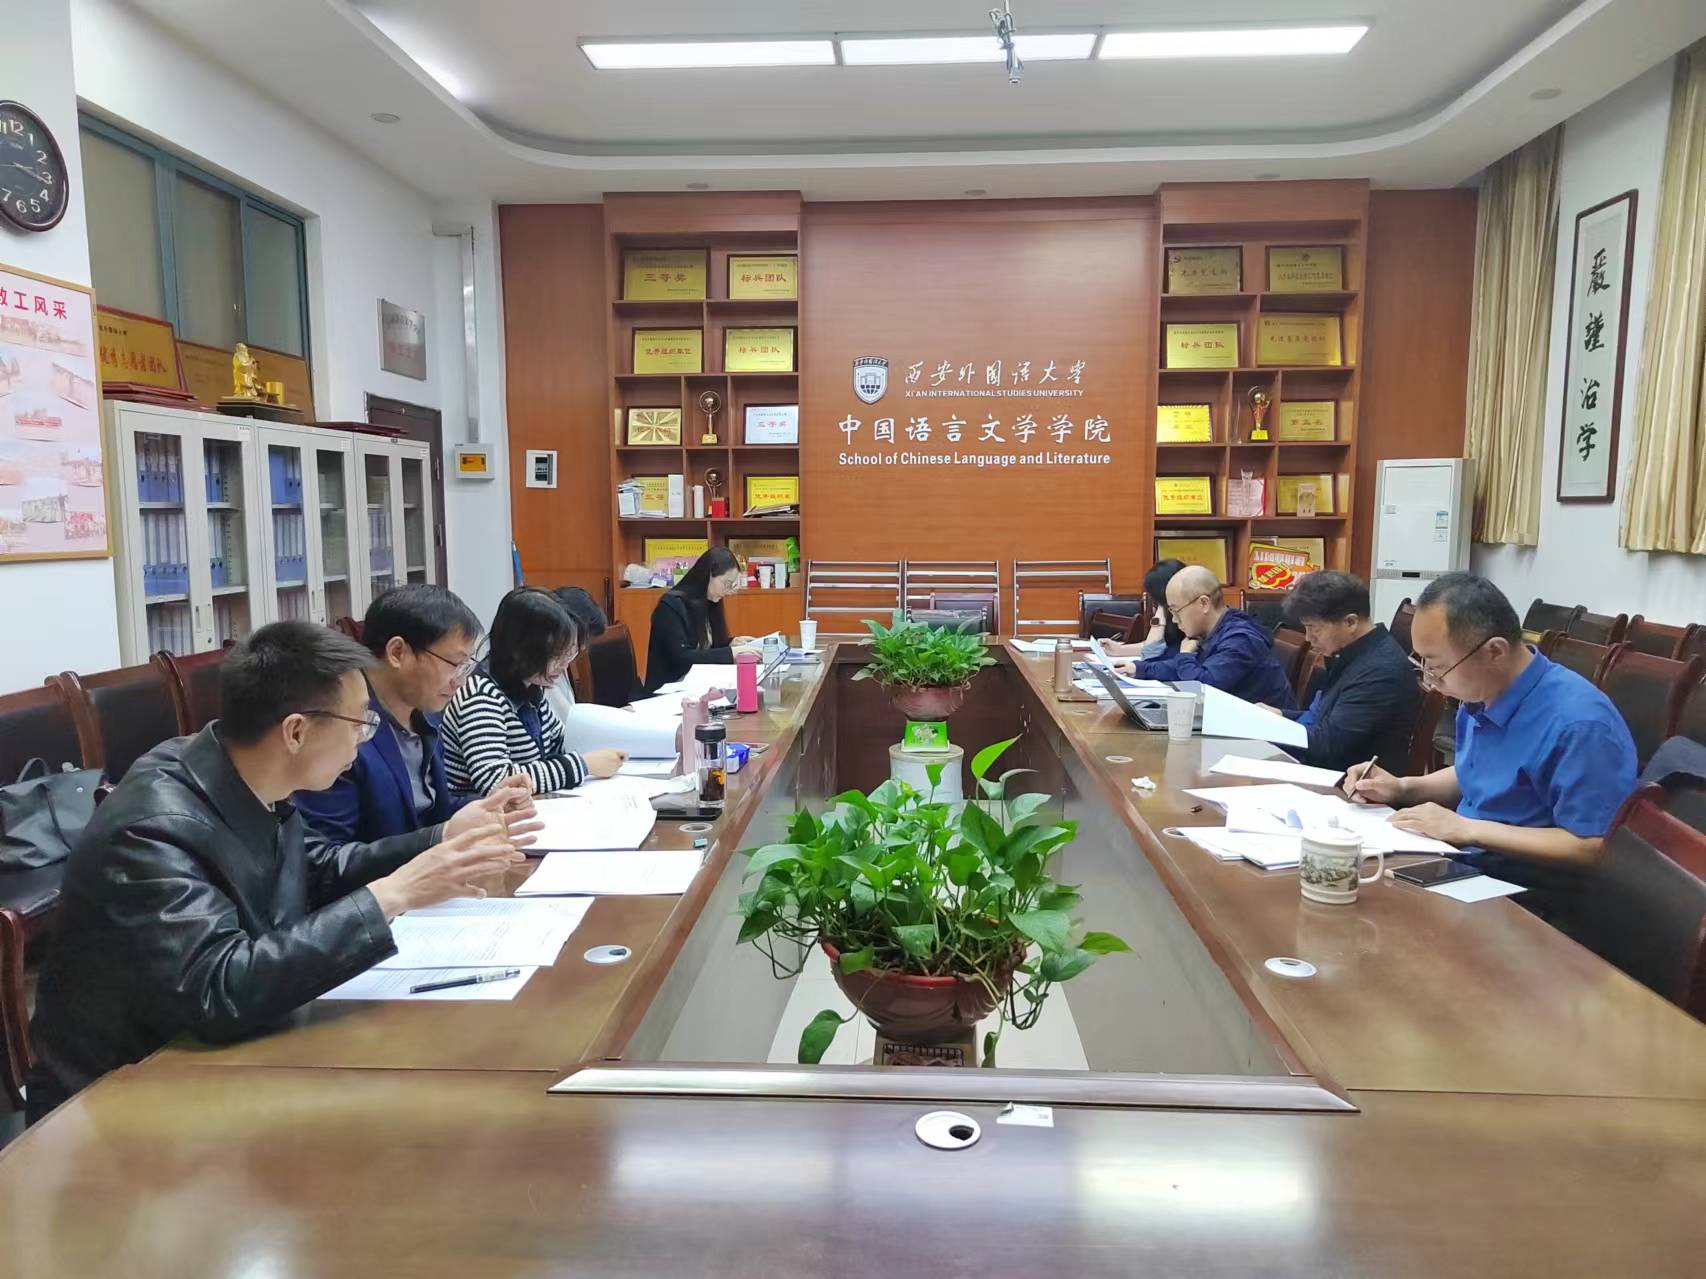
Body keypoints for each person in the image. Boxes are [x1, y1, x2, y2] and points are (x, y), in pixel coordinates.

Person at [25, 622, 531, 1122]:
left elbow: (316, 868)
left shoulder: (244, 773)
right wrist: (392, 895)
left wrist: (441, 837)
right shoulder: (153, 829)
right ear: (295, 731)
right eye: (359, 723)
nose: (363, 740)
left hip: (224, 1063)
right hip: (122, 1104)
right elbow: (218, 988)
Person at [1342, 571, 1637, 922]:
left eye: (1437, 666)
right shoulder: (1482, 692)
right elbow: (1476, 771)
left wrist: (1468, 829)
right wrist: (1403, 787)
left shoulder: (1580, 724)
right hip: (1466, 864)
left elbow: (1594, 846)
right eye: (1421, 662)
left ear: (1494, 651)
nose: (1430, 681)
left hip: (1528, 896)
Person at [295, 584, 529, 843]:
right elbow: (327, 856)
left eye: (465, 666)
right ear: (397, 652)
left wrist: (489, 803)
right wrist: (439, 838)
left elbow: (430, 812)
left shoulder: (425, 716)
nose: (459, 681)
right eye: (454, 663)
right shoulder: (343, 725)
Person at [443, 586, 628, 796]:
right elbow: (496, 781)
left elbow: (561, 742)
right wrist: (583, 765)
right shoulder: (480, 697)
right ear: (520, 650)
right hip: (480, 811)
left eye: (567, 655)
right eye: (555, 655)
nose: (563, 665)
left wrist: (612, 737)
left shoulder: (530, 688)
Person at [1279, 570, 1420, 773]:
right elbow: (1330, 719)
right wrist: (1280, 716)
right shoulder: (1353, 652)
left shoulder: (1380, 671)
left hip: (1351, 782)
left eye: (1314, 628)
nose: (1308, 638)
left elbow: (1327, 745)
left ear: (1350, 622)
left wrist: (1270, 729)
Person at [1114, 564, 1294, 708]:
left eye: (1176, 611)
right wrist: (1138, 668)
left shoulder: (1240, 639)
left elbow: (1203, 687)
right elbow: (1184, 668)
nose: (1174, 620)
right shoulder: (1215, 630)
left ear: (1204, 604)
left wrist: (1185, 656)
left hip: (1265, 736)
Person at [644, 547, 758, 693]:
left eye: (731, 586)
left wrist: (730, 642)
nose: (727, 591)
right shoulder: (670, 606)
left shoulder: (709, 602)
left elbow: (706, 648)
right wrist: (731, 653)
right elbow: (682, 659)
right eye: (726, 584)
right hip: (667, 691)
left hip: (695, 686)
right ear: (709, 574)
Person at [542, 585, 618, 723]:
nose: (582, 647)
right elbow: (567, 723)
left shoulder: (559, 660)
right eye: (582, 638)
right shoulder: (542, 672)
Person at [1101, 558, 1186, 661]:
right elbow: (1160, 646)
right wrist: (1120, 649)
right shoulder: (1172, 615)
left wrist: (1160, 614)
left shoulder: (1189, 621)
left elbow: (1151, 655)